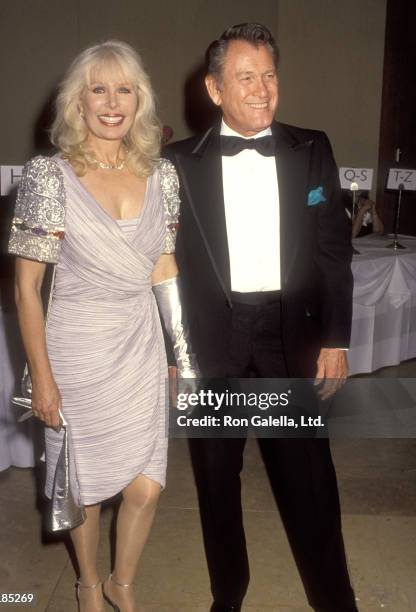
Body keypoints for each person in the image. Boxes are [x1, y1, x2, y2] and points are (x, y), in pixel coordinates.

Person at [164, 23, 358, 612]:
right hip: (212, 343)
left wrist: (335, 337)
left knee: (310, 482)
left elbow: (332, 252)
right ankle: (230, 594)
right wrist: (174, 353)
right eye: (245, 77)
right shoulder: (175, 163)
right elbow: (160, 266)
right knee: (217, 484)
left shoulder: (311, 148)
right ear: (214, 89)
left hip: (288, 336)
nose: (262, 89)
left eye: (269, 75)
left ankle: (335, 599)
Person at [8, 41, 197, 612]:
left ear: (139, 100)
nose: (112, 102)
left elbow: (164, 266)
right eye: (98, 89)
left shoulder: (161, 175)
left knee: (147, 483)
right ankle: (90, 582)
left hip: (138, 346)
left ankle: (124, 581)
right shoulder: (49, 176)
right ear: (78, 102)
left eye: (124, 89)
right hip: (76, 350)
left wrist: (183, 358)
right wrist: (42, 378)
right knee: (84, 487)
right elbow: (25, 288)